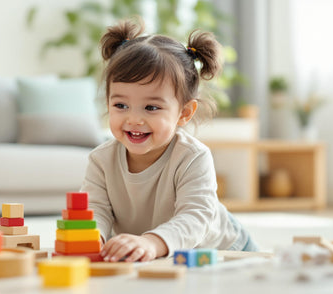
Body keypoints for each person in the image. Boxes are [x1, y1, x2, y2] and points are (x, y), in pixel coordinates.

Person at [80, 19, 258, 263]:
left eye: (151, 107)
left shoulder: (192, 157)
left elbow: (195, 218)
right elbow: (95, 211)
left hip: (226, 251)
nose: (133, 119)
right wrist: (90, 241)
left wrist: (152, 242)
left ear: (184, 113)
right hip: (164, 256)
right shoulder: (101, 160)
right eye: (120, 105)